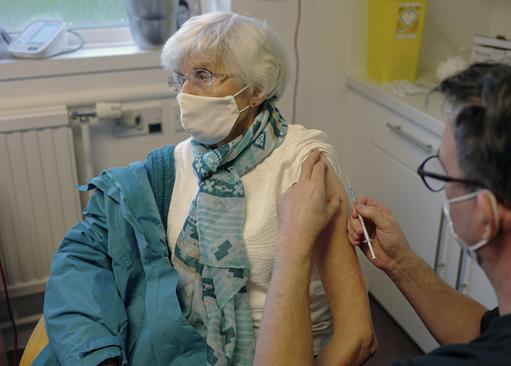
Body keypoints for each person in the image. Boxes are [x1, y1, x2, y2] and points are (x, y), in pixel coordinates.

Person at [34, 12, 373, 365]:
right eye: (179, 78)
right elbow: (87, 251)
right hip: (187, 346)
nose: (185, 93)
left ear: (256, 89)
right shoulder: (179, 163)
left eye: (203, 75)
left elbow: (358, 335)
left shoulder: (304, 164)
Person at [268, 54, 511, 365]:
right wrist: (401, 263)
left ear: (485, 213)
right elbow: (492, 331)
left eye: (445, 175)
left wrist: (293, 245)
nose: (444, 189)